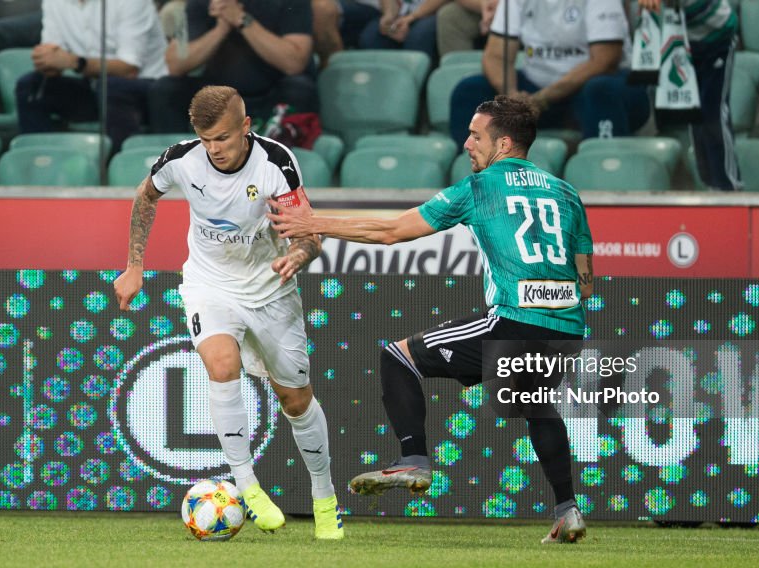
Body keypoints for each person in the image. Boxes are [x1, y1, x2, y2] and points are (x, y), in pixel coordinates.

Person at [268, 94, 594, 545]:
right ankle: (568, 510)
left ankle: (414, 460)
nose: (466, 144)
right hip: (568, 328)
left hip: (515, 321)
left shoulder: (479, 188)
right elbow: (586, 279)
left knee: (397, 357)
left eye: (475, 136)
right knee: (537, 407)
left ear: (502, 143)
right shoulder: (566, 191)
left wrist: (314, 223)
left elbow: (391, 232)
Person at [113, 85, 344, 540]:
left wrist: (296, 257)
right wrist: (134, 266)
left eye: (221, 137)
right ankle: (247, 485)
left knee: (295, 400)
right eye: (205, 139)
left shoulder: (276, 163)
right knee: (221, 365)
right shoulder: (180, 159)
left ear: (245, 127)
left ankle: (325, 497)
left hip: (271, 288)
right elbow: (145, 198)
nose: (213, 149)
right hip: (209, 284)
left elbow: (310, 235)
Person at [449, 0, 649, 144]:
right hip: (537, 89)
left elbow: (604, 61)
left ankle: (604, 175)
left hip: (598, 87)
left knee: (600, 90)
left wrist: (541, 100)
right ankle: (475, 182)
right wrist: (511, 96)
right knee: (469, 91)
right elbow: (495, 55)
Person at [14, 0, 168, 152]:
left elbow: (129, 69)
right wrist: (46, 60)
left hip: (147, 90)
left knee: (111, 86)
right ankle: (43, 162)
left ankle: (121, 166)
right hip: (96, 88)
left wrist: (75, 63)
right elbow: (55, 57)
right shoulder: (53, 2)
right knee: (31, 86)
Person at [147, 0, 317, 134]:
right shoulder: (202, 3)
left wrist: (241, 19)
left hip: (272, 93)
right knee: (166, 89)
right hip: (217, 97)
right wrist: (221, 28)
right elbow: (176, 64)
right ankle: (173, 165)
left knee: (299, 88)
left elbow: (294, 63)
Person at [640, 0, 741, 191]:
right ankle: (709, 184)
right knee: (695, 116)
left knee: (714, 112)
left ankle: (729, 185)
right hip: (686, 42)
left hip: (718, 37)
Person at [360, 0, 448, 61]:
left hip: (432, 11)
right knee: (371, 37)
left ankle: (418, 86)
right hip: (403, 13)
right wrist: (389, 15)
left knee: (418, 38)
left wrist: (411, 17)